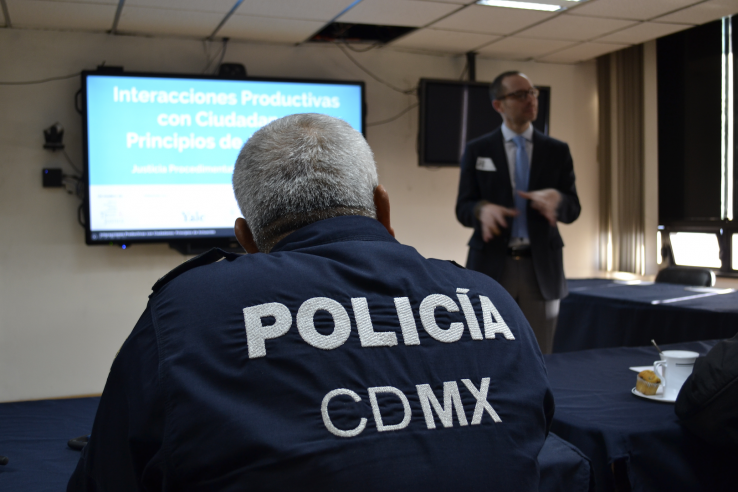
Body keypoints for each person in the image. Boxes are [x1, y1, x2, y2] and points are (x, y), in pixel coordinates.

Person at [68, 113, 553, 491]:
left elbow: (109, 479)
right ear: (383, 209)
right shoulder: (490, 299)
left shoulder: (187, 314)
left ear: (246, 238)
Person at [456, 71, 581, 354]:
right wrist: (481, 210)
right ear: (498, 105)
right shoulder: (478, 150)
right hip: (491, 266)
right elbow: (463, 207)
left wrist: (558, 200)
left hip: (541, 269)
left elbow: (573, 208)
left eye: (533, 92)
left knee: (540, 355)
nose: (530, 99)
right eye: (520, 94)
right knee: (487, 353)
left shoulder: (557, 151)